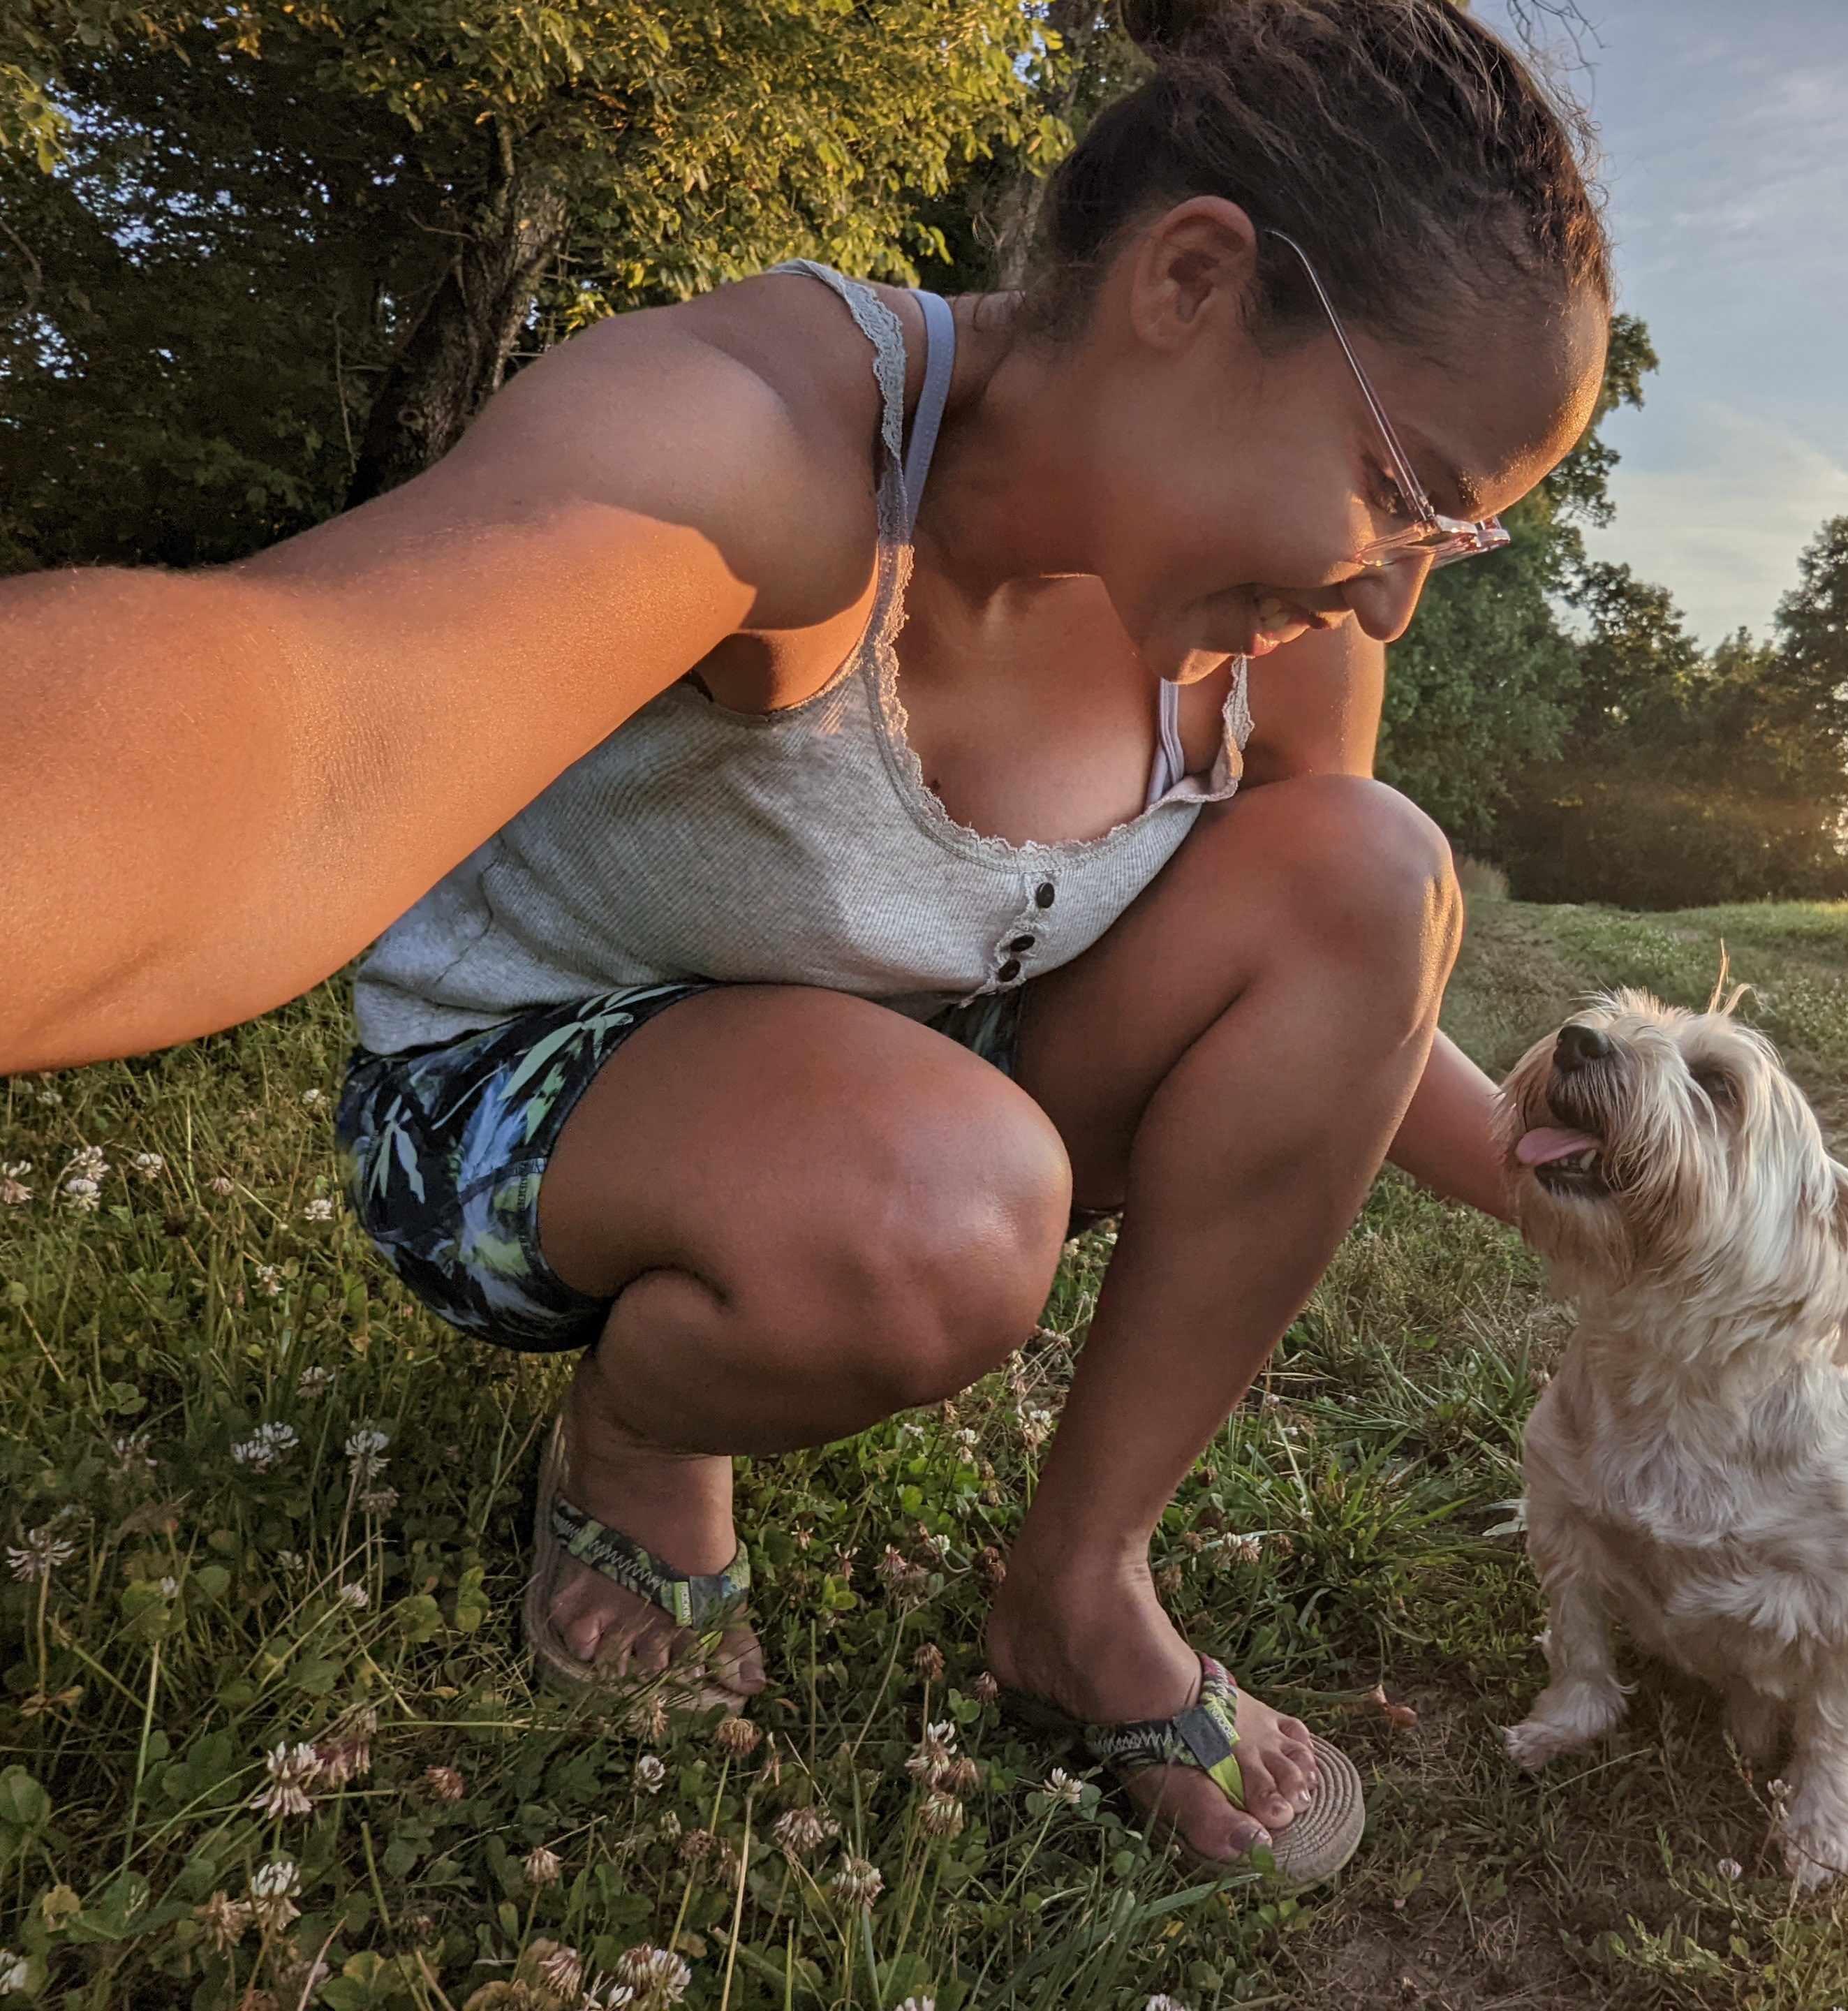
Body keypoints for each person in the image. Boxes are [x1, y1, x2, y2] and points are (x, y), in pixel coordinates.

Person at [0, 0, 1610, 1878]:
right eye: (1407, 492)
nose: (1398, 589)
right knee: (946, 1201)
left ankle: (1077, 1587)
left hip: (915, 1096)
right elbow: (292, 732)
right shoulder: (775, 440)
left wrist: (1600, 1192)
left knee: (1371, 867)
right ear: (1191, 278)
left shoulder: (1290, 627)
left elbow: (1342, 991)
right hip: (531, 1113)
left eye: (1457, 540)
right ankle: (638, 1438)